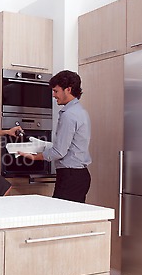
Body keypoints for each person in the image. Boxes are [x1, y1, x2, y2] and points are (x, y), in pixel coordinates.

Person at [18, 70, 92, 203]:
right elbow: (69, 147)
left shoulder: (69, 115)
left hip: (70, 176)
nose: (54, 95)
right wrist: (43, 145)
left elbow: (59, 152)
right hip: (79, 175)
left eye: (56, 91)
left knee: (62, 219)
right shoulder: (80, 111)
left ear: (68, 90)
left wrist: (35, 157)